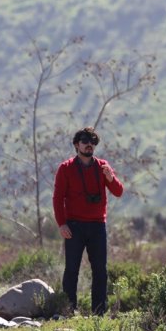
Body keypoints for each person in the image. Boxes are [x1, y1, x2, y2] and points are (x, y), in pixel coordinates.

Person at [53, 127, 123, 315]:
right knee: (72, 270)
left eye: (93, 141)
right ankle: (68, 309)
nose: (89, 144)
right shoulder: (66, 168)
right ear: (77, 145)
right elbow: (58, 198)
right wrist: (62, 224)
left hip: (97, 225)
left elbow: (118, 192)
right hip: (74, 225)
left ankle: (99, 312)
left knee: (100, 270)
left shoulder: (103, 167)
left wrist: (111, 177)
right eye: (85, 141)